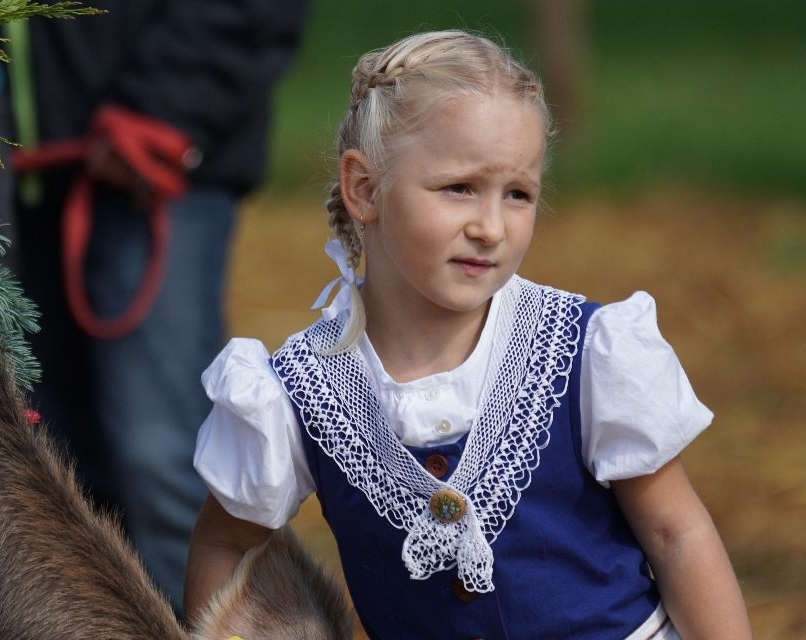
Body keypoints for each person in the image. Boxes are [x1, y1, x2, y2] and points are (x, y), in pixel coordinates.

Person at [184, 30, 753, 640]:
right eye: (459, 188)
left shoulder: (585, 353)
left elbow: (676, 534)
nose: (490, 227)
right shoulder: (299, 392)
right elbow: (226, 540)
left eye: (518, 194)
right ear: (365, 189)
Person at [0, 0, 310, 611]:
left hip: (156, 163)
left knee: (164, 457)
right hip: (2, 169)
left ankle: (220, 623)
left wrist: (168, 104)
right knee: (50, 461)